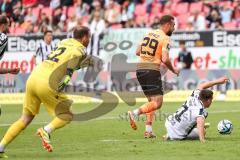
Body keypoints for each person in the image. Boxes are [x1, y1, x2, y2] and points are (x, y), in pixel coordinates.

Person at [0, 26, 93, 158]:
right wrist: (67, 77)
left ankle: (1, 147)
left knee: (25, 118)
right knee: (67, 114)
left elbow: (68, 60)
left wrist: (80, 64)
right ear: (84, 38)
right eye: (88, 37)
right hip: (47, 82)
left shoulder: (64, 42)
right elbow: (73, 61)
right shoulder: (81, 49)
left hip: (33, 77)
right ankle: (46, 130)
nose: (89, 40)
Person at [128, 15, 179, 138]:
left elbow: (137, 51)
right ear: (167, 25)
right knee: (158, 102)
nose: (174, 28)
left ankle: (148, 130)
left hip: (140, 70)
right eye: (173, 26)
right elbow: (165, 59)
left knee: (151, 102)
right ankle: (134, 113)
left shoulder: (148, 34)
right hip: (151, 70)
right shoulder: (165, 38)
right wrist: (174, 70)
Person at [163, 76, 229, 143]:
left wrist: (218, 81)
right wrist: (202, 140)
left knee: (191, 121)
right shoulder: (200, 110)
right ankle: (172, 136)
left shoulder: (195, 95)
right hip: (177, 134)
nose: (212, 102)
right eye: (211, 100)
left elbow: (201, 85)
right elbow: (200, 124)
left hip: (169, 122)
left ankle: (169, 134)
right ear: (208, 100)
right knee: (203, 130)